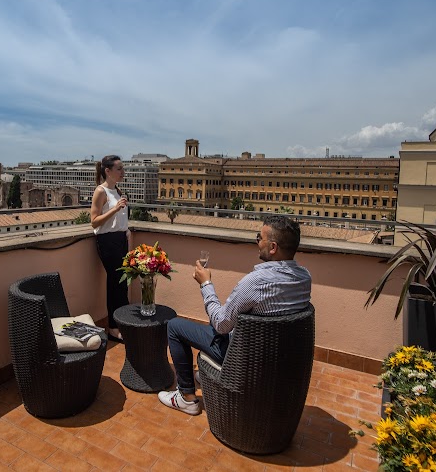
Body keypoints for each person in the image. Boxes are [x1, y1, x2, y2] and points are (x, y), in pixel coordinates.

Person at [158, 215, 312, 415]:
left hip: (242, 358)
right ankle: (203, 376)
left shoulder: (256, 282)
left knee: (175, 326)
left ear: (273, 247)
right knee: (220, 322)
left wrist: (206, 284)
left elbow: (222, 324)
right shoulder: (304, 278)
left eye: (260, 238)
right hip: (276, 360)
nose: (257, 242)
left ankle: (186, 397)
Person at [90, 155, 129, 342]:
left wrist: (126, 232)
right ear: (108, 171)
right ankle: (113, 328)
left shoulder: (117, 190)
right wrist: (115, 209)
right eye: (119, 168)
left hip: (121, 239)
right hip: (107, 241)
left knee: (123, 282)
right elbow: (94, 221)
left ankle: (122, 322)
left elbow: (118, 220)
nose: (122, 172)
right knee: (115, 282)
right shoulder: (101, 191)